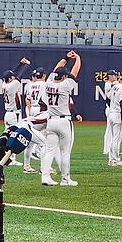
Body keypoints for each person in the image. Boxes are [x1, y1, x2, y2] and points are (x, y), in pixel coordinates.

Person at [41, 50, 82, 187]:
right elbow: (75, 72)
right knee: (65, 152)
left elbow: (56, 69)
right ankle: (65, 180)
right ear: (64, 76)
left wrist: (65, 58)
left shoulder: (48, 83)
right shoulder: (65, 85)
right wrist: (77, 59)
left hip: (51, 121)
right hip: (64, 121)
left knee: (49, 150)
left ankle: (45, 177)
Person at [1, 57, 31, 167]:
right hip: (13, 114)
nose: (14, 77)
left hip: (7, 113)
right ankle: (11, 159)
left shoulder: (4, 84)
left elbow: (12, 74)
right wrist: (26, 65)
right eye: (12, 77)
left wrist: (19, 63)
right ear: (10, 79)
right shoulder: (12, 85)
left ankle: (6, 157)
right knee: (13, 136)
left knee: (7, 135)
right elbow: (19, 76)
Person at [105, 70, 122, 167]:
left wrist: (111, 108)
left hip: (111, 113)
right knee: (116, 139)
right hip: (117, 115)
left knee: (112, 138)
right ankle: (115, 160)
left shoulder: (114, 86)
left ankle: (111, 160)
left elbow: (107, 98)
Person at [102, 69, 118, 157]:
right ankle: (107, 149)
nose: (115, 76)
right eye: (114, 75)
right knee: (109, 130)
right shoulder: (108, 84)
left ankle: (111, 148)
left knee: (111, 130)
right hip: (110, 108)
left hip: (111, 109)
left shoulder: (112, 84)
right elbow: (109, 96)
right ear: (110, 76)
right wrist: (113, 86)